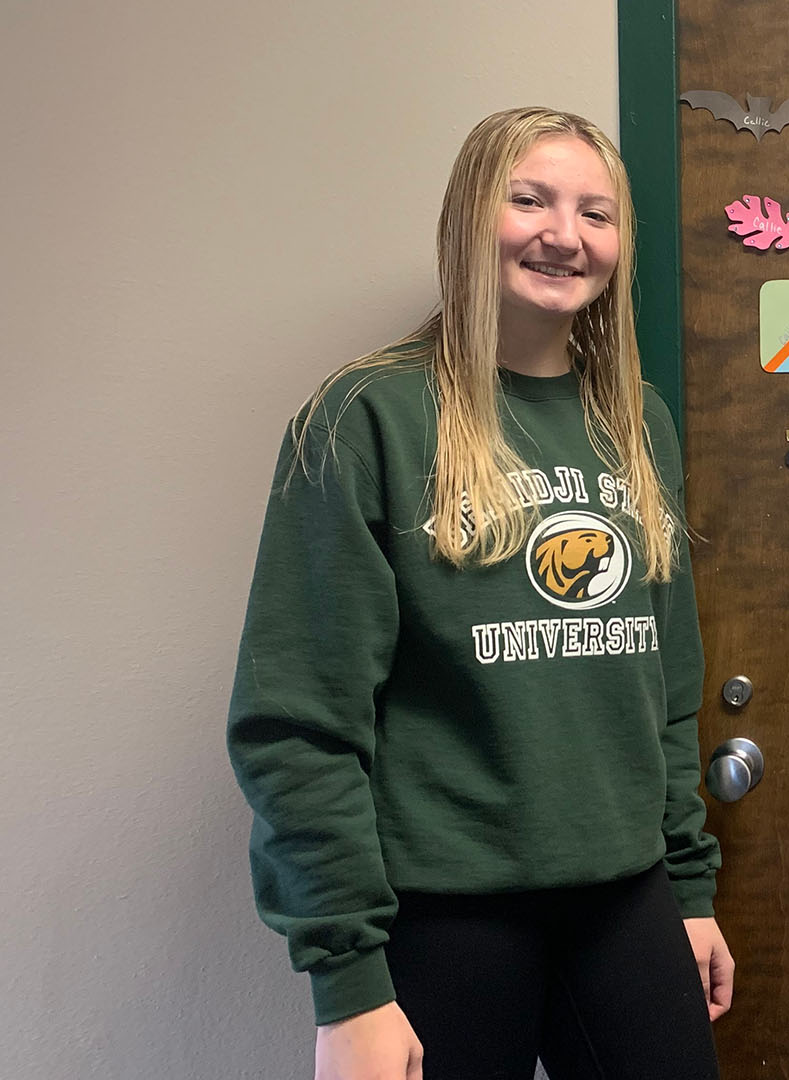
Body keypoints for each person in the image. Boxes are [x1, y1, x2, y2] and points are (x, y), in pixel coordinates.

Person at [227, 106, 730, 1080]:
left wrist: (691, 887)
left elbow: (666, 689)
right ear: (467, 218)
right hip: (444, 909)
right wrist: (350, 987)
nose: (564, 234)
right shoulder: (367, 419)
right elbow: (297, 725)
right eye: (529, 199)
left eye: (596, 212)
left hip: (626, 900)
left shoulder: (635, 423)